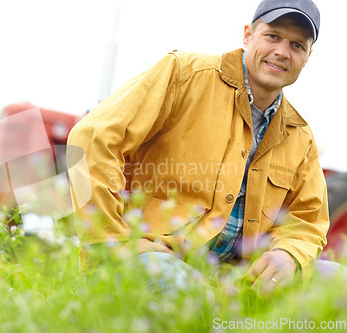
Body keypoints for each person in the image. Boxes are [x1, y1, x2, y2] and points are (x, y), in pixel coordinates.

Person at [67, 0, 329, 294]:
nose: (282, 51)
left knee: (337, 283)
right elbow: (89, 140)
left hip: (239, 282)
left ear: (307, 56)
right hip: (154, 257)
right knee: (193, 298)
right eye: (273, 36)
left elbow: (308, 220)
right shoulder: (183, 74)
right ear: (247, 36)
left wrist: (288, 255)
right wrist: (113, 241)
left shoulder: (300, 136)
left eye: (296, 45)